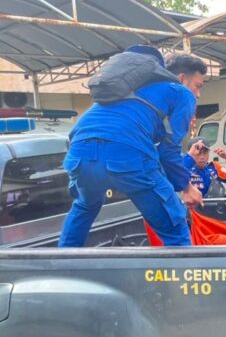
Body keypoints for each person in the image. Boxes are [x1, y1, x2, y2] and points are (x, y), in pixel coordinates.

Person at [59, 46, 206, 247]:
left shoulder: (123, 91)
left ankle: (64, 266)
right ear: (181, 78)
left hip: (79, 153)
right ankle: (185, 277)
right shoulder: (181, 93)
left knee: (84, 207)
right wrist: (186, 187)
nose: (198, 94)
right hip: (126, 154)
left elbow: (77, 134)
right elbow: (168, 150)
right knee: (174, 227)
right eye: (198, 86)